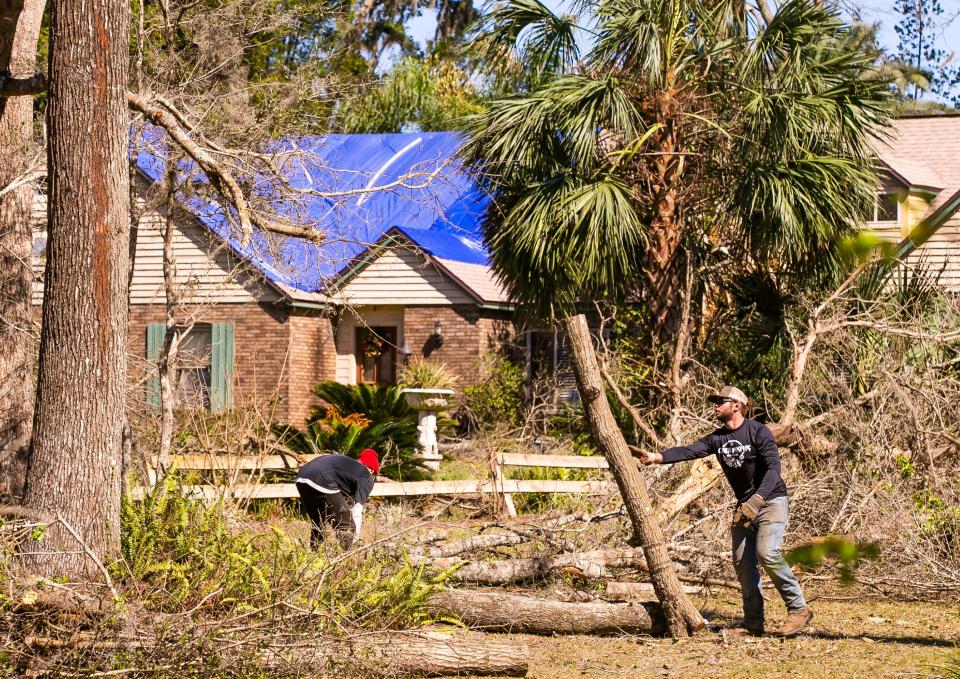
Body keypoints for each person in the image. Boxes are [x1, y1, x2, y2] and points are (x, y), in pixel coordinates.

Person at [634, 386, 813, 637]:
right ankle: (753, 622)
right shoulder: (717, 439)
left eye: (721, 401)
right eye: (715, 401)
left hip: (771, 500)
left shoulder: (758, 432)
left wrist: (757, 500)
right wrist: (655, 457)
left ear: (737, 405)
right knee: (742, 562)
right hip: (744, 507)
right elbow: (688, 451)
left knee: (767, 552)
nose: (715, 405)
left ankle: (798, 609)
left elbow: (774, 470)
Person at [295, 448, 379, 549]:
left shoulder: (348, 467)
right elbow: (357, 510)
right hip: (322, 478)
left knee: (319, 522)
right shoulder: (366, 475)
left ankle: (315, 556)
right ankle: (347, 558)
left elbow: (337, 499)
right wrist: (355, 541)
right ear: (372, 469)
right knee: (347, 525)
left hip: (302, 476)